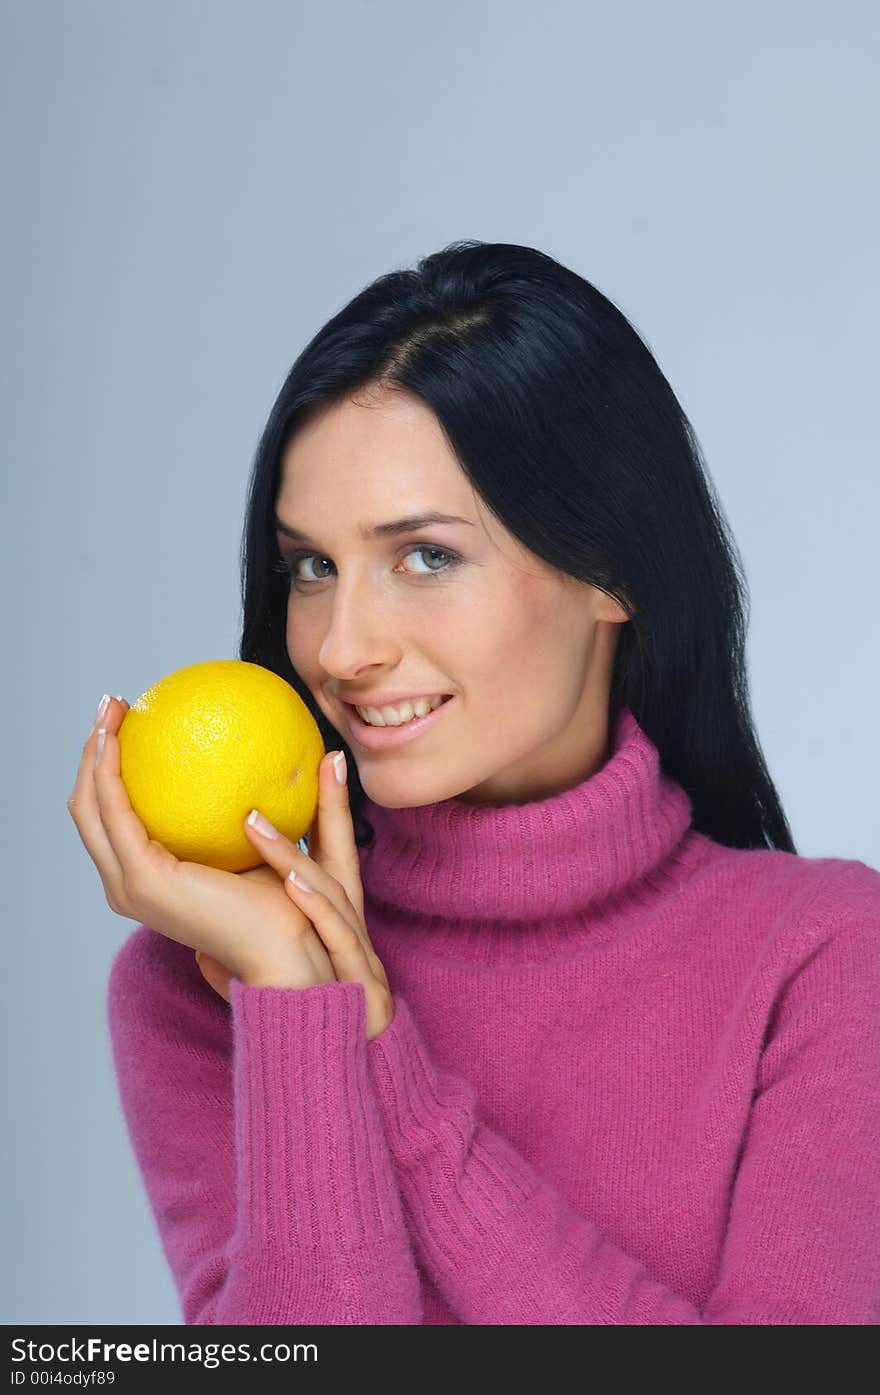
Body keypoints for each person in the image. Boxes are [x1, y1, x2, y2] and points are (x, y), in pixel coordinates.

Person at [69, 240, 880, 1325]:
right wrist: (293, 1006)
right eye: (311, 566)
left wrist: (383, 1065)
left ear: (615, 571)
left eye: (426, 557)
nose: (341, 649)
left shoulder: (823, 957)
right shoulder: (198, 982)